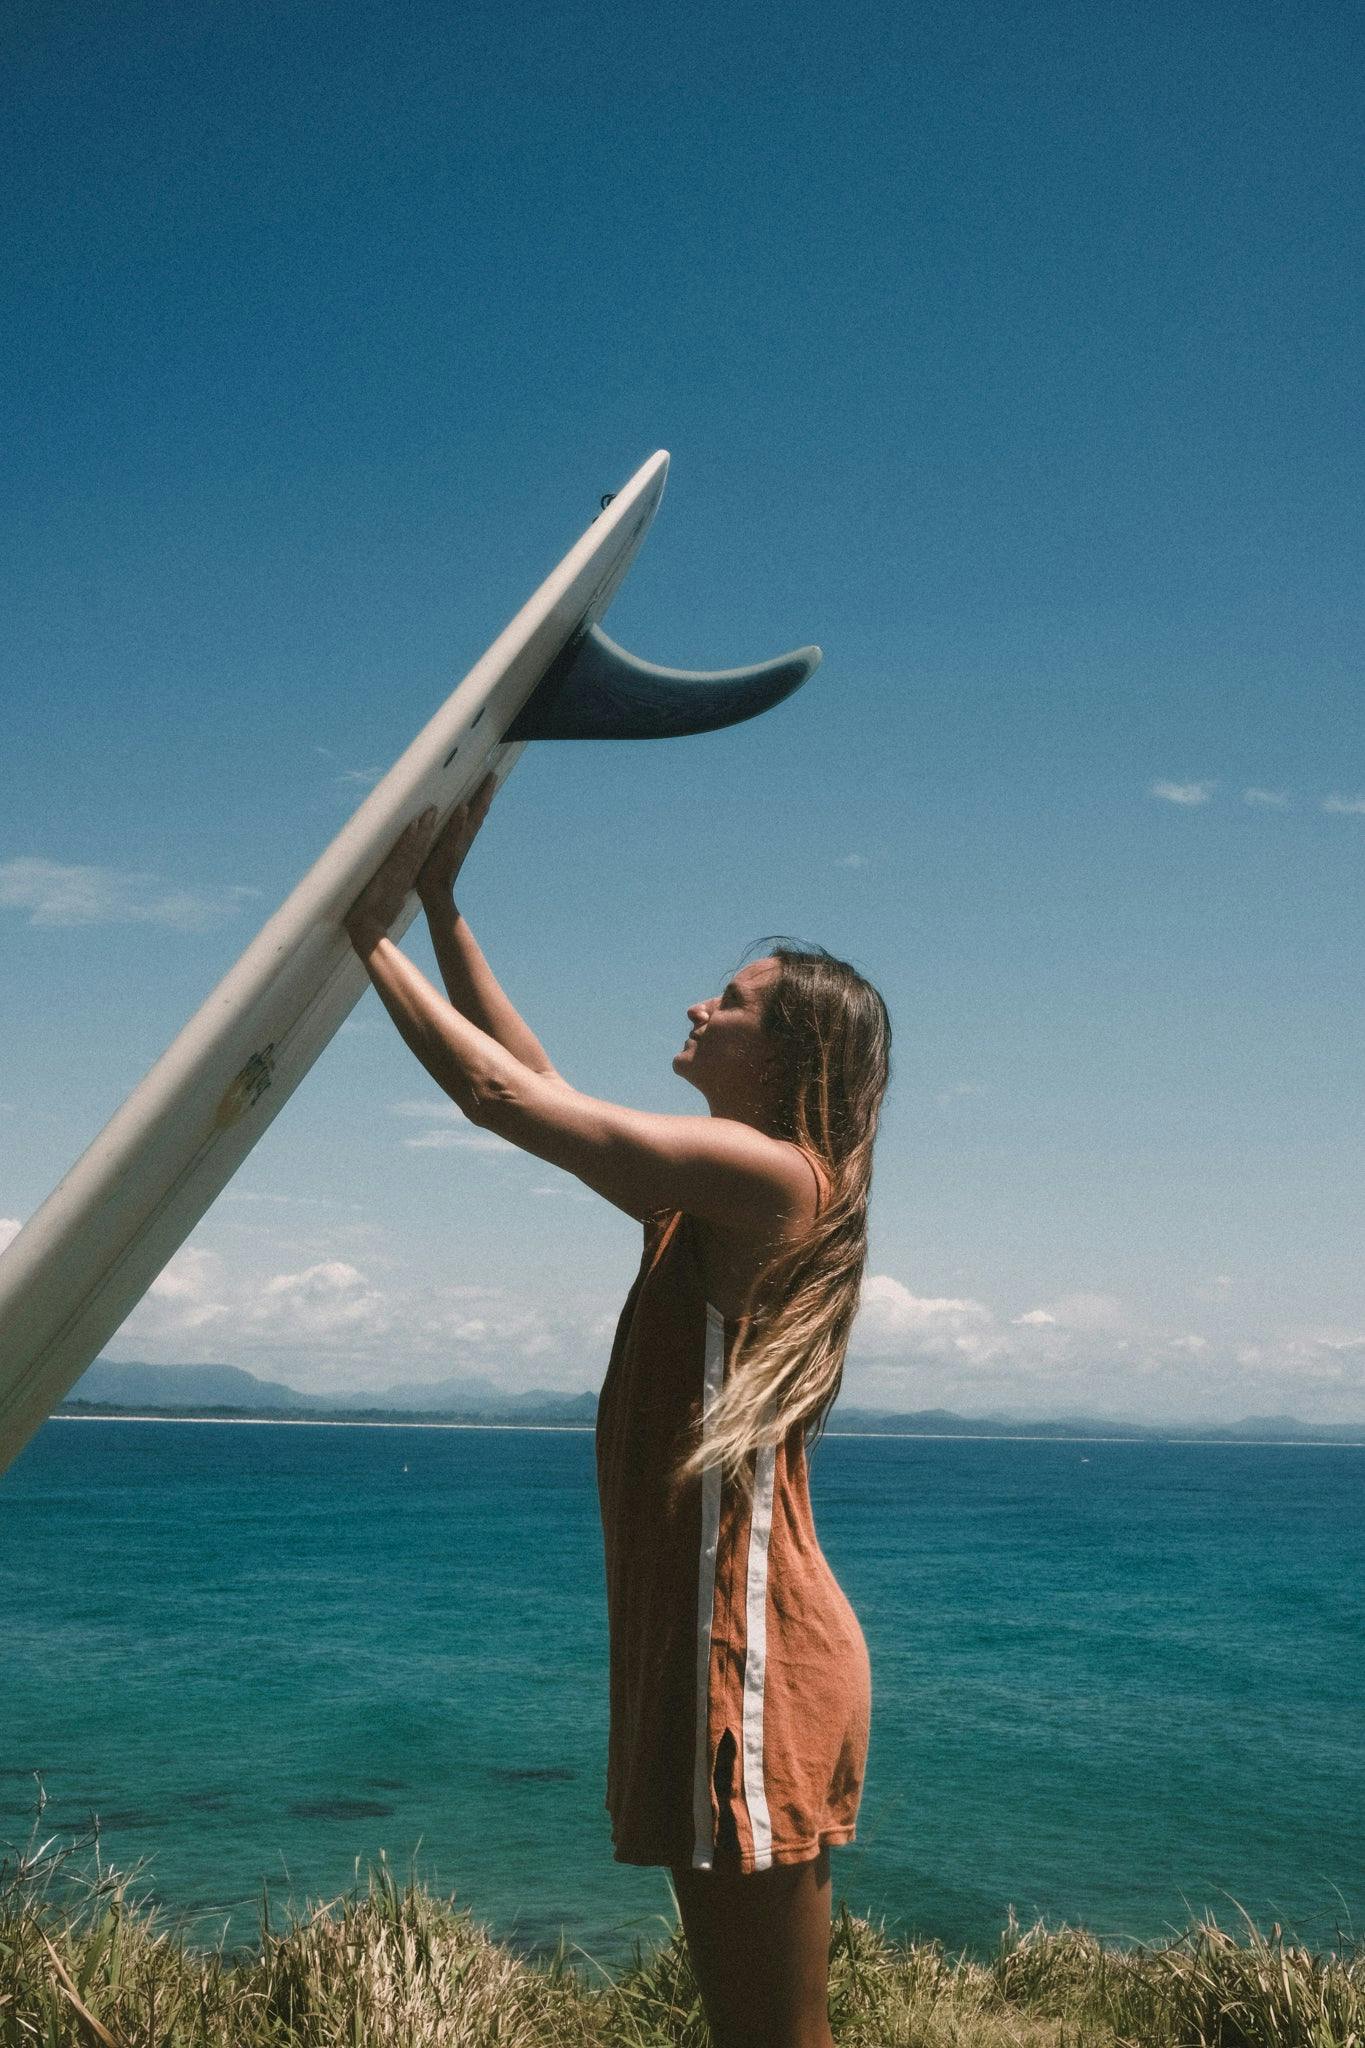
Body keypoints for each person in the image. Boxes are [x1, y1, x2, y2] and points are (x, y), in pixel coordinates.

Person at [344, 774, 892, 2048]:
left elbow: (503, 1100)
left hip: (748, 1650)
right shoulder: (713, 1195)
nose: (700, 1005)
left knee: (774, 2034)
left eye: (732, 1001)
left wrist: (361, 934)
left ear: (788, 1054)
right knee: (748, 2025)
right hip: (708, 1639)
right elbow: (540, 1080)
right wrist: (438, 905)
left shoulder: (779, 1182)